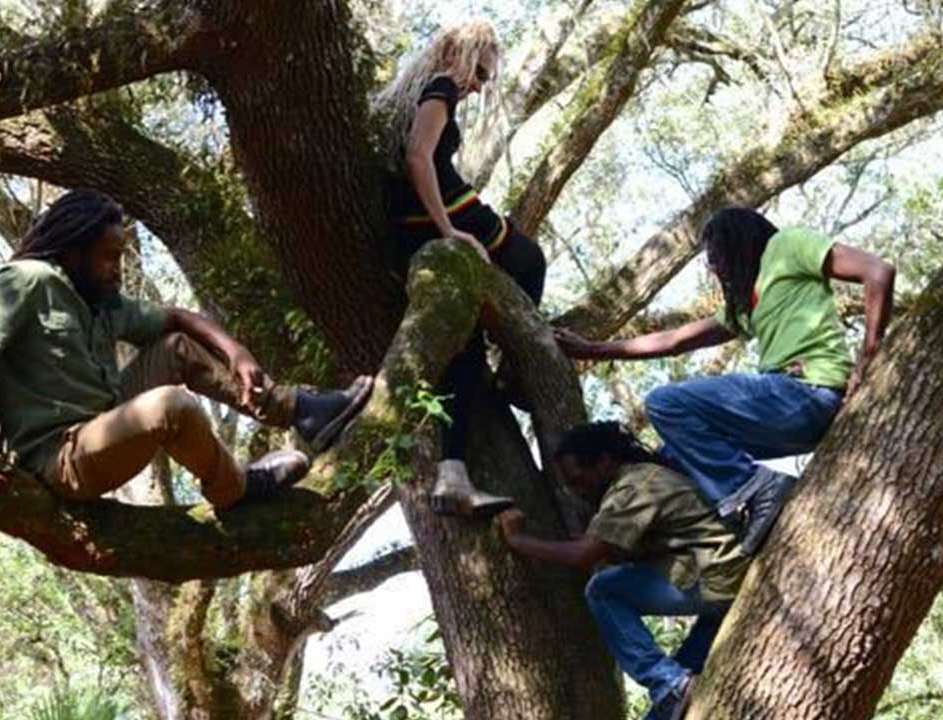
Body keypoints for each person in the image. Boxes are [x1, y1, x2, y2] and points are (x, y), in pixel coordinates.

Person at [0, 189, 372, 510]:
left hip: (107, 422)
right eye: (108, 257)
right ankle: (233, 489)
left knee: (176, 347)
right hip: (64, 458)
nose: (116, 269)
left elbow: (178, 318)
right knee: (171, 406)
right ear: (74, 251)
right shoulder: (28, 282)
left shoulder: (102, 301)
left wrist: (237, 351)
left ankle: (301, 410)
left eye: (120, 258)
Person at [555, 207, 895, 553]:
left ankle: (751, 492)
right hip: (789, 419)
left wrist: (869, 355)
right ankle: (718, 549)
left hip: (807, 392)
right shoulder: (744, 303)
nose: (714, 267)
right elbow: (675, 341)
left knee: (664, 403)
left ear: (739, 241)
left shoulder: (788, 245)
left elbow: (877, 271)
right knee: (670, 458)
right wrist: (594, 350)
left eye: (716, 255)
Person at [375, 19, 547, 517]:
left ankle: (452, 475)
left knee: (464, 350)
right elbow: (418, 157)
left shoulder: (420, 91)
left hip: (413, 223)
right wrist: (448, 228)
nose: (478, 85)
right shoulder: (441, 86)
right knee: (529, 259)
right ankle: (513, 370)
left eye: (485, 78)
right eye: (480, 72)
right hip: (442, 212)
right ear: (459, 55)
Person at [496, 421, 750, 720]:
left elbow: (582, 556)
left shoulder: (634, 487)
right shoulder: (643, 479)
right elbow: (602, 547)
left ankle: (667, 681)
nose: (578, 492)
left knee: (603, 589)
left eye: (579, 481)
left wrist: (518, 540)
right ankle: (673, 686)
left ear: (605, 462)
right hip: (723, 581)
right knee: (673, 703)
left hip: (716, 580)